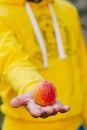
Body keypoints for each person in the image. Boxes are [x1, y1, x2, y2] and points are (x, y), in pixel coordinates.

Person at [0, 0, 87, 130]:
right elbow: (13, 62)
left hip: (75, 125)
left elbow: (83, 72)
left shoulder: (68, 10)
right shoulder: (2, 14)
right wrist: (33, 87)